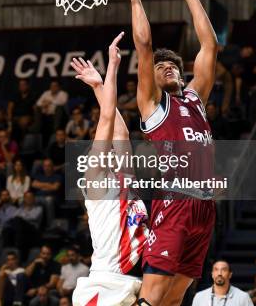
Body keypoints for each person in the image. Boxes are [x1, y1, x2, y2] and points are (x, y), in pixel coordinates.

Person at [115, 0, 218, 306]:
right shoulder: (153, 105)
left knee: (175, 299)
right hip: (174, 202)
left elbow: (210, 47)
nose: (168, 68)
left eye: (173, 65)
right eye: (161, 67)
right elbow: (143, 46)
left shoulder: (194, 99)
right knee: (153, 296)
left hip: (204, 207)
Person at [69, 33, 149, 306]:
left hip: (133, 280)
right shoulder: (96, 183)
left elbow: (122, 133)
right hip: (106, 282)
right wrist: (111, 69)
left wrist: (97, 86)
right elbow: (105, 118)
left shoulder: (124, 179)